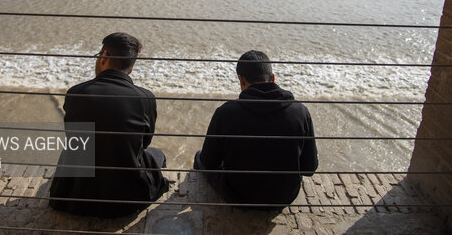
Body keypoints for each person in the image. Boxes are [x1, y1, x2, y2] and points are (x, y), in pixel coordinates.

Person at [49, 32, 169, 217]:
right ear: (131, 67)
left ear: (104, 55)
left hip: (73, 196)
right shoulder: (145, 98)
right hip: (124, 201)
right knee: (157, 154)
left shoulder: (76, 93)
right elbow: (143, 144)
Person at [194, 50, 318, 207]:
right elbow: (309, 168)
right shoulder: (300, 112)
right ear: (272, 78)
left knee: (199, 157)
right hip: (284, 197)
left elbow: (209, 162)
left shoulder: (226, 112)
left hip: (237, 195)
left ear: (241, 79)